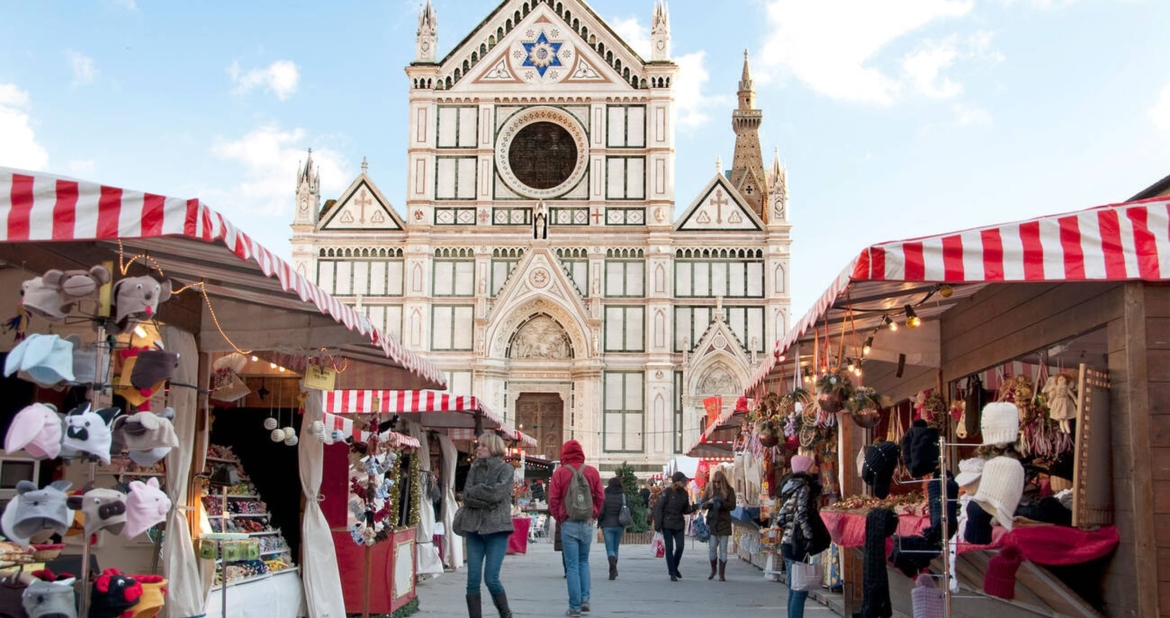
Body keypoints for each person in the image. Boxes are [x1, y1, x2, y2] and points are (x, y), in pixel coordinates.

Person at [452, 433, 515, 618]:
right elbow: (467, 496)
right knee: (472, 580)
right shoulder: (474, 469)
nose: (478, 448)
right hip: (474, 529)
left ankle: (505, 613)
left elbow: (497, 494)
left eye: (482, 446)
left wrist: (478, 490)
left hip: (497, 530)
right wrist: (485, 500)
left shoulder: (506, 469)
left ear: (493, 448)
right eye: (478, 445)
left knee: (491, 579)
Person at [549, 439, 604, 617]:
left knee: (572, 565)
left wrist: (561, 518)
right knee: (583, 562)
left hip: (569, 523)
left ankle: (574, 607)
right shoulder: (592, 471)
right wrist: (593, 514)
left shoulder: (560, 473)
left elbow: (553, 500)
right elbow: (600, 497)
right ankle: (585, 599)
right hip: (586, 523)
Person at [776, 455, 829, 618]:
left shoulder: (790, 488)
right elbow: (802, 514)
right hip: (797, 544)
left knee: (794, 588)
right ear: (805, 468)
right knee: (800, 591)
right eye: (812, 465)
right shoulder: (805, 487)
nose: (816, 468)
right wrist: (808, 537)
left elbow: (780, 518)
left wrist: (789, 529)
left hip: (787, 543)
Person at [652, 471, 694, 582]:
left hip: (679, 523)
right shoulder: (667, 492)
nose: (685, 483)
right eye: (683, 481)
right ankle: (672, 572)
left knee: (680, 547)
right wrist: (658, 524)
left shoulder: (684, 493)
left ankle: (674, 567)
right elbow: (659, 508)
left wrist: (693, 508)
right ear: (677, 482)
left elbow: (685, 509)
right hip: (667, 523)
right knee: (669, 548)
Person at [699, 469, 737, 581]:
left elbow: (732, 506)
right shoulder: (710, 488)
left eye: (718, 482)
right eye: (715, 482)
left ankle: (721, 573)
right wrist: (709, 502)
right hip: (712, 522)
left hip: (724, 522)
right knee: (712, 547)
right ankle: (713, 569)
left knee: (723, 548)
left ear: (723, 481)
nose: (716, 484)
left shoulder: (729, 490)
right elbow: (702, 504)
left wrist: (722, 503)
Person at [598, 477, 627, 580]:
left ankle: (612, 570)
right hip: (619, 524)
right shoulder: (623, 496)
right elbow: (629, 509)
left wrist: (599, 522)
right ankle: (613, 569)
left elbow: (601, 511)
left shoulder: (605, 496)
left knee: (609, 548)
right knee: (616, 548)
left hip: (607, 525)